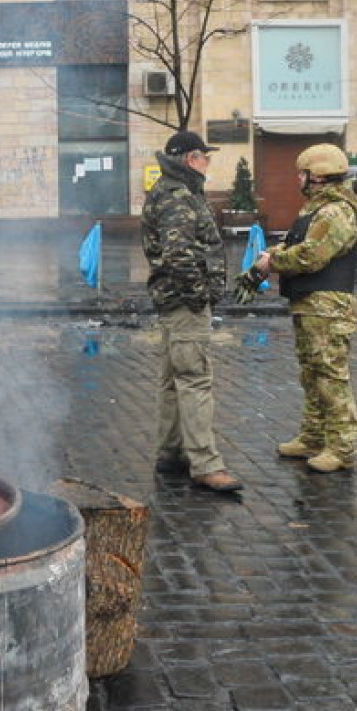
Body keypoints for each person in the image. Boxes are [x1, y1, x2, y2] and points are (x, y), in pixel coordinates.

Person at [141, 130, 243, 492]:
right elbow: (178, 253)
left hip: (175, 300)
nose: (208, 162)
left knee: (173, 380)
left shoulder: (178, 191)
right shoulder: (178, 196)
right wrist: (199, 296)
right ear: (190, 159)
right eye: (205, 156)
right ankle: (205, 464)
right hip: (184, 303)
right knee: (195, 379)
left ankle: (170, 453)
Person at [254, 144, 357, 473]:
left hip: (328, 306)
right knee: (311, 373)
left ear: (318, 176)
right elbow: (299, 244)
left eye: (302, 173)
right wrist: (277, 252)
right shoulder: (316, 210)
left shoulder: (334, 212)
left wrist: (272, 262)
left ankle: (342, 447)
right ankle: (314, 436)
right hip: (310, 303)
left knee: (330, 375)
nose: (297, 179)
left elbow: (311, 256)